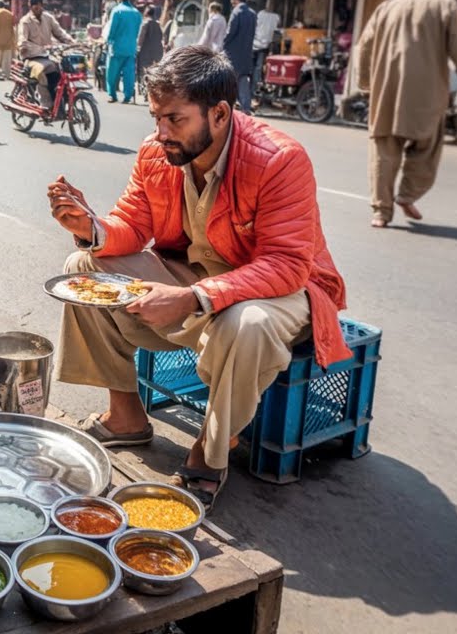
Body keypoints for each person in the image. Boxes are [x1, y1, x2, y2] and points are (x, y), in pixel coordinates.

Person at [47, 45, 349, 511]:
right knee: (81, 270)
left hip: (281, 292)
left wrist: (193, 297)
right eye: (156, 119)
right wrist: (90, 228)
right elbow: (133, 223)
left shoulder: (279, 159)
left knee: (244, 323)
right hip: (196, 279)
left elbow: (288, 264)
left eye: (175, 120)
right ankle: (126, 417)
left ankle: (212, 451)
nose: (161, 132)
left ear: (221, 114)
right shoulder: (157, 154)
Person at [358, 0, 457, 229]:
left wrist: (366, 83)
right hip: (427, 93)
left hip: (387, 90)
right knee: (427, 147)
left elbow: (364, 45)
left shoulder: (386, 7)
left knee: (383, 151)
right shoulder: (445, 7)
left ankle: (381, 212)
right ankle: (407, 194)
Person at [18, 0, 75, 106]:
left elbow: (59, 33)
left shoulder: (48, 18)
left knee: (61, 70)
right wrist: (40, 48)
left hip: (46, 56)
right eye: (35, 8)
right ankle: (46, 103)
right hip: (31, 57)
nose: (38, 10)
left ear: (42, 6)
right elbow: (22, 41)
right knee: (42, 71)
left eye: (39, 7)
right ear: (30, 7)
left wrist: (72, 42)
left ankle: (60, 100)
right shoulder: (25, 21)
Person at [222, 0, 257, 115]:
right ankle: (246, 107)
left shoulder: (236, 12)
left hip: (233, 54)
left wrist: (223, 45)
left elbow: (230, 33)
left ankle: (227, 106)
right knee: (242, 81)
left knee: (229, 81)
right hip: (246, 53)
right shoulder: (253, 14)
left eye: (232, 1)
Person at [104, 0, 142, 104]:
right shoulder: (136, 12)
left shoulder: (117, 11)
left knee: (111, 73)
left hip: (117, 48)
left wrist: (108, 41)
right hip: (131, 48)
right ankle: (127, 96)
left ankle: (112, 95)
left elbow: (112, 29)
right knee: (129, 74)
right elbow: (138, 31)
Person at [136, 6, 163, 98]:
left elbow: (140, 38)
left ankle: (145, 92)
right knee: (154, 72)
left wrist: (137, 48)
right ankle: (153, 91)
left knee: (144, 72)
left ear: (146, 12)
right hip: (156, 52)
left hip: (145, 51)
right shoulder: (158, 24)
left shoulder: (145, 23)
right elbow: (161, 37)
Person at [252, 1, 280, 87]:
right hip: (261, 45)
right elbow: (277, 30)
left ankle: (254, 88)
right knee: (258, 67)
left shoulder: (261, 14)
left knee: (256, 67)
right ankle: (255, 87)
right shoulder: (275, 17)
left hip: (258, 44)